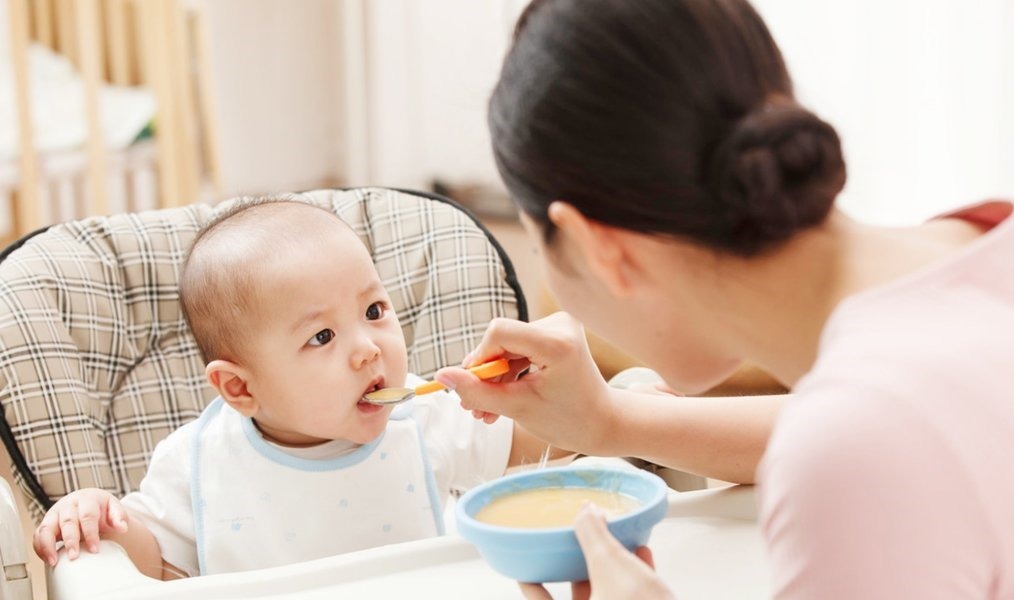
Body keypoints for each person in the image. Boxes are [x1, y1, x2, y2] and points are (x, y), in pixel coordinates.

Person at [434, 0, 1014, 597]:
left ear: (595, 244)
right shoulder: (987, 237)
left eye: (541, 251)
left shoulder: (849, 454)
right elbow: (900, 422)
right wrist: (609, 420)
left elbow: (864, 439)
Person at [32, 199, 564, 579]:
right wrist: (102, 518)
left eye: (374, 311)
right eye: (323, 336)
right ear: (240, 388)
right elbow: (153, 566)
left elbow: (539, 443)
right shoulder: (195, 462)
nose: (368, 349)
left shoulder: (420, 418)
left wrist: (604, 402)